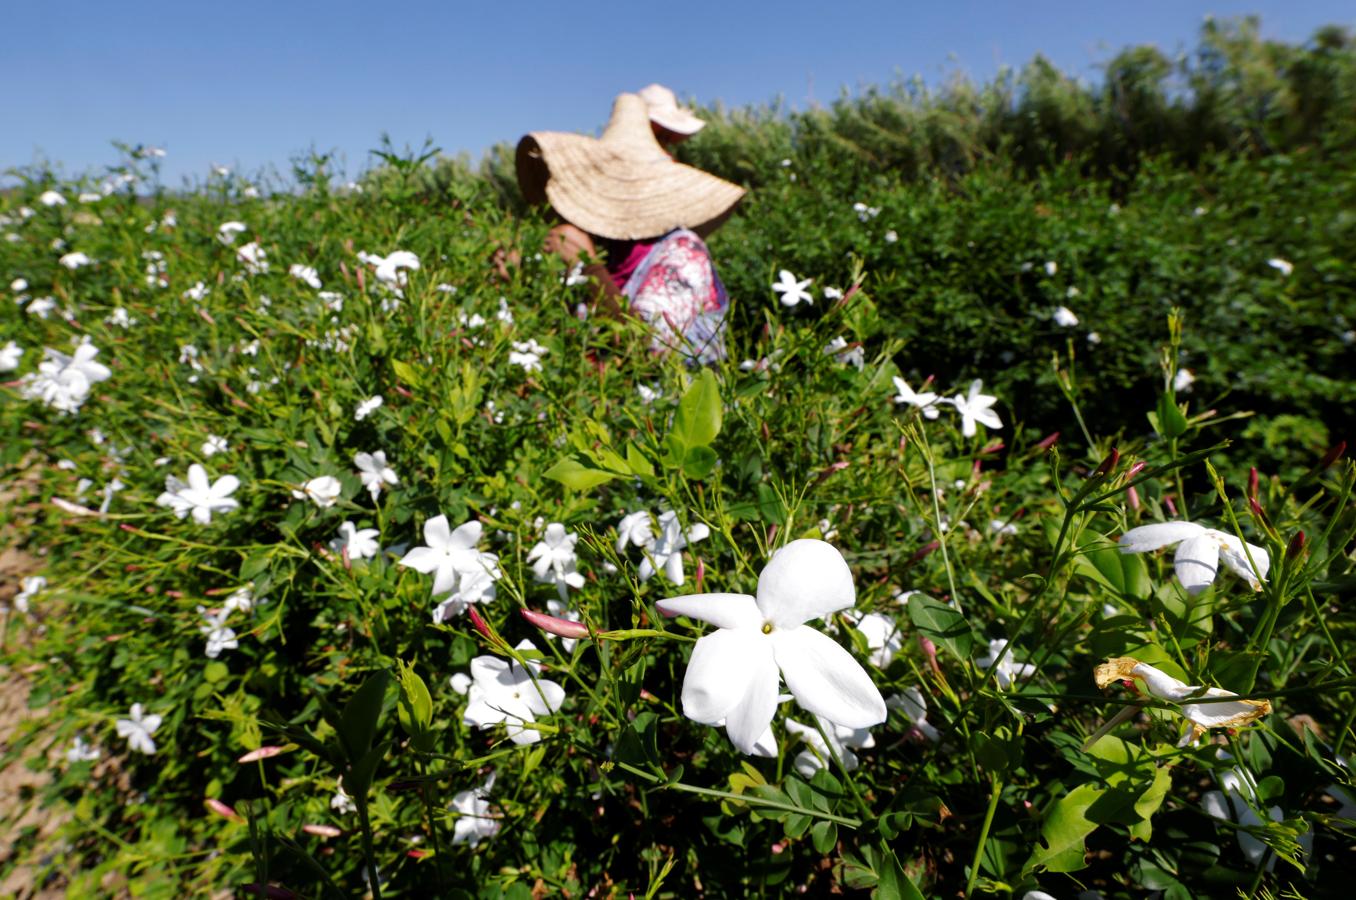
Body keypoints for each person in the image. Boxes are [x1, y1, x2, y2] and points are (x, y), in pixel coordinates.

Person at [516, 92, 745, 364]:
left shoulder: (682, 252)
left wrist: (587, 266)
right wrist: (519, 282)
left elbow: (649, 348)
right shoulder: (612, 253)